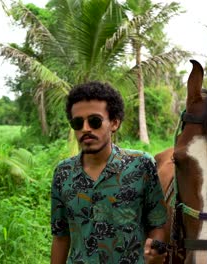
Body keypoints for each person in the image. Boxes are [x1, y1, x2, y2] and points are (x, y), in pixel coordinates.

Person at [50, 81, 168, 264]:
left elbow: (157, 223)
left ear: (114, 123)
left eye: (95, 121)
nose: (86, 129)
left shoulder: (141, 165)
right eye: (78, 123)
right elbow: (60, 237)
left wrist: (154, 255)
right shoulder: (63, 173)